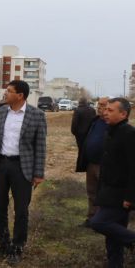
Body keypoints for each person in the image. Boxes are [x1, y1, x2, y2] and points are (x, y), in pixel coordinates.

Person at [0, 80, 47, 265]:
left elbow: (40, 147)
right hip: (1, 165)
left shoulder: (37, 115)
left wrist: (38, 173)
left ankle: (17, 248)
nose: (5, 93)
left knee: (21, 211)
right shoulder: (1, 111)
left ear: (20, 95)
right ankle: (3, 246)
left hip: (23, 168)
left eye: (9, 91)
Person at [89, 97, 135, 268]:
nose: (105, 113)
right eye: (105, 109)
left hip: (121, 194)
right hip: (107, 192)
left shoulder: (129, 134)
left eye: (110, 110)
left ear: (123, 114)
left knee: (98, 222)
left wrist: (130, 197)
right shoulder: (110, 131)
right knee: (113, 240)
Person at [75, 97, 108, 227]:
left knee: (103, 193)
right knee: (91, 192)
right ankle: (92, 219)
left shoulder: (111, 123)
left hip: (104, 165)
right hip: (91, 164)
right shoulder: (95, 121)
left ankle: (102, 220)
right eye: (99, 104)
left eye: (103, 105)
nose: (100, 107)